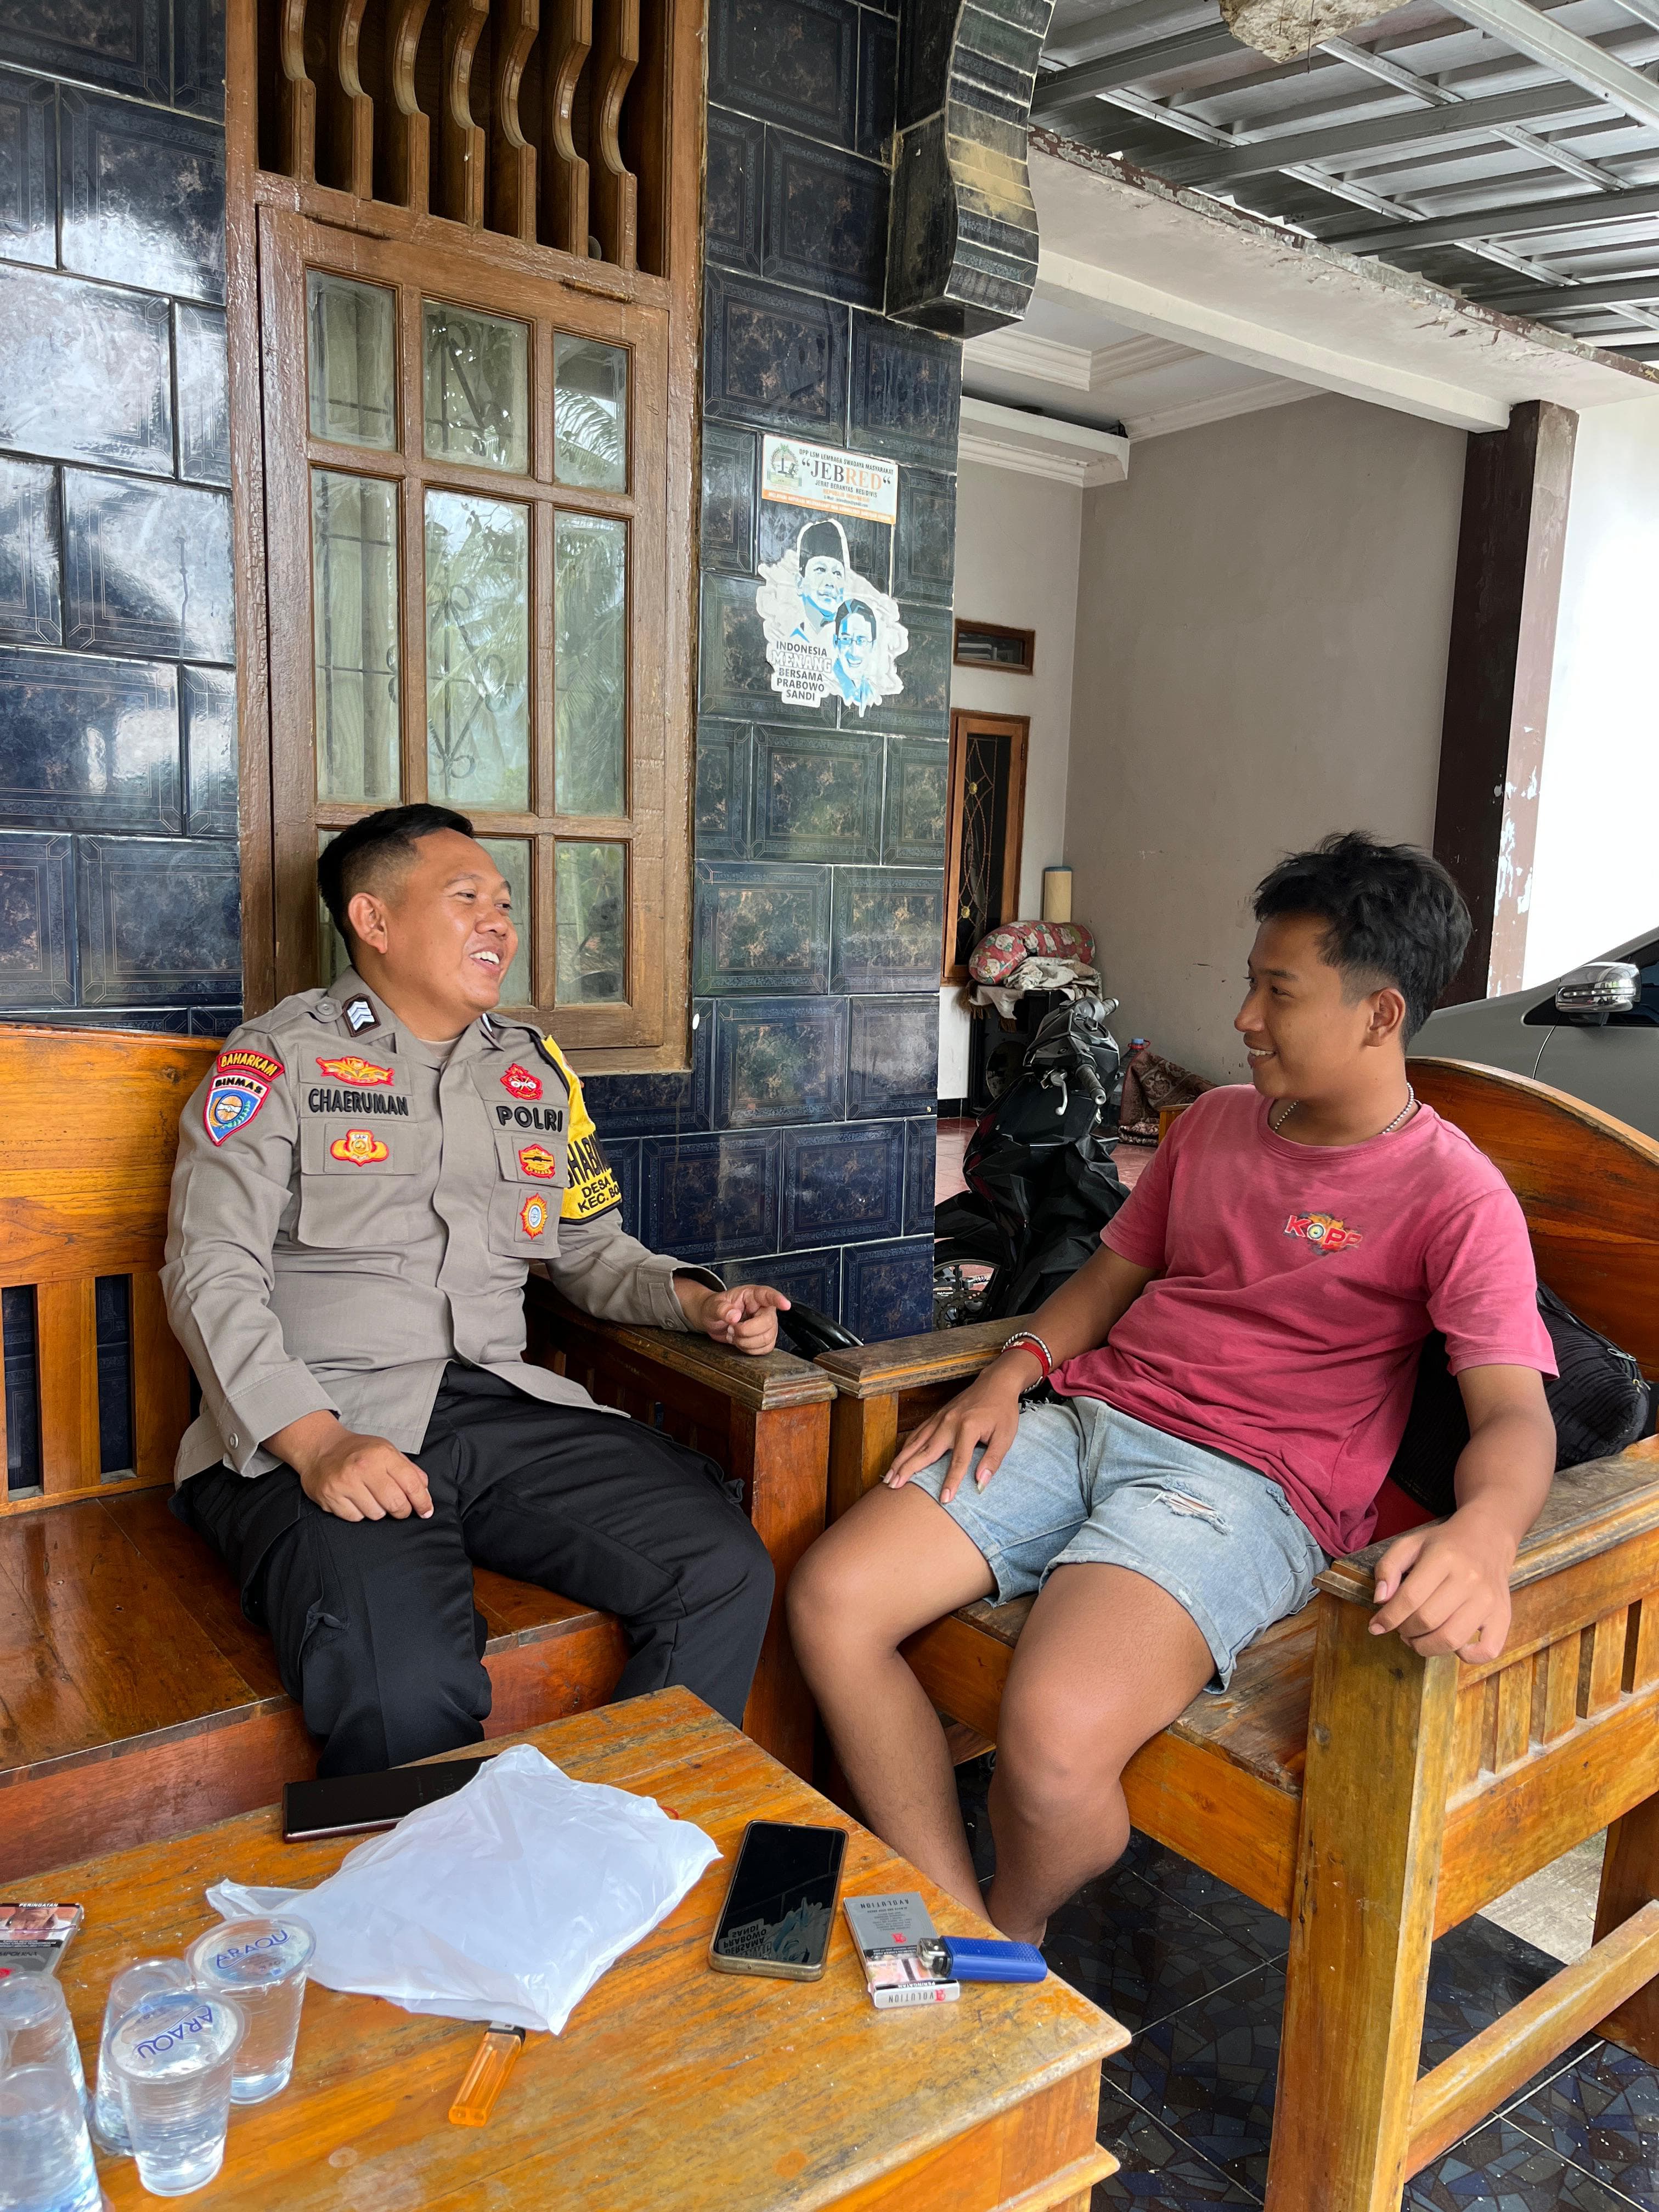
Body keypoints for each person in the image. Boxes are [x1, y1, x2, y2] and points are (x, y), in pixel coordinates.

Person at [788, 832, 1558, 1943]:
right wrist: (1009, 1373)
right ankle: (963, 1942)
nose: (1243, 1016)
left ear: (1379, 1014)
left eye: (1277, 991)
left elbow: (1513, 1412)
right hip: (1084, 1423)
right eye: (1250, 982)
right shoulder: (1213, 1126)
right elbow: (1107, 1280)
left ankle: (1009, 1929)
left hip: (1240, 1490)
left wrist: (1484, 1532)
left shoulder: (1456, 1196)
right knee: (833, 1599)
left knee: (1051, 1753)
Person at [163, 804, 790, 1777]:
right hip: (322, 1419)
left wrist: (696, 1303)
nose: (499, 922)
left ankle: (614, 1834)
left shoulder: (531, 1072)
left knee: (721, 1567)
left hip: (497, 1405)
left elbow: (588, 1247)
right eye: (467, 899)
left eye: (503, 903)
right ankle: (431, 1878)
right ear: (373, 920)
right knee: (404, 1685)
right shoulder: (276, 1058)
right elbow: (209, 1269)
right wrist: (317, 1442)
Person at [791, 521, 848, 645]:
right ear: (800, 583)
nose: (830, 583)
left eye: (837, 573)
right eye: (821, 570)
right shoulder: (787, 640)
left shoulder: (850, 650)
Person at [831, 599, 880, 714]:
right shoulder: (830, 685)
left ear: (873, 645)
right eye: (846, 639)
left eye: (861, 641)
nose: (854, 652)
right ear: (836, 642)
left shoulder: (871, 690)